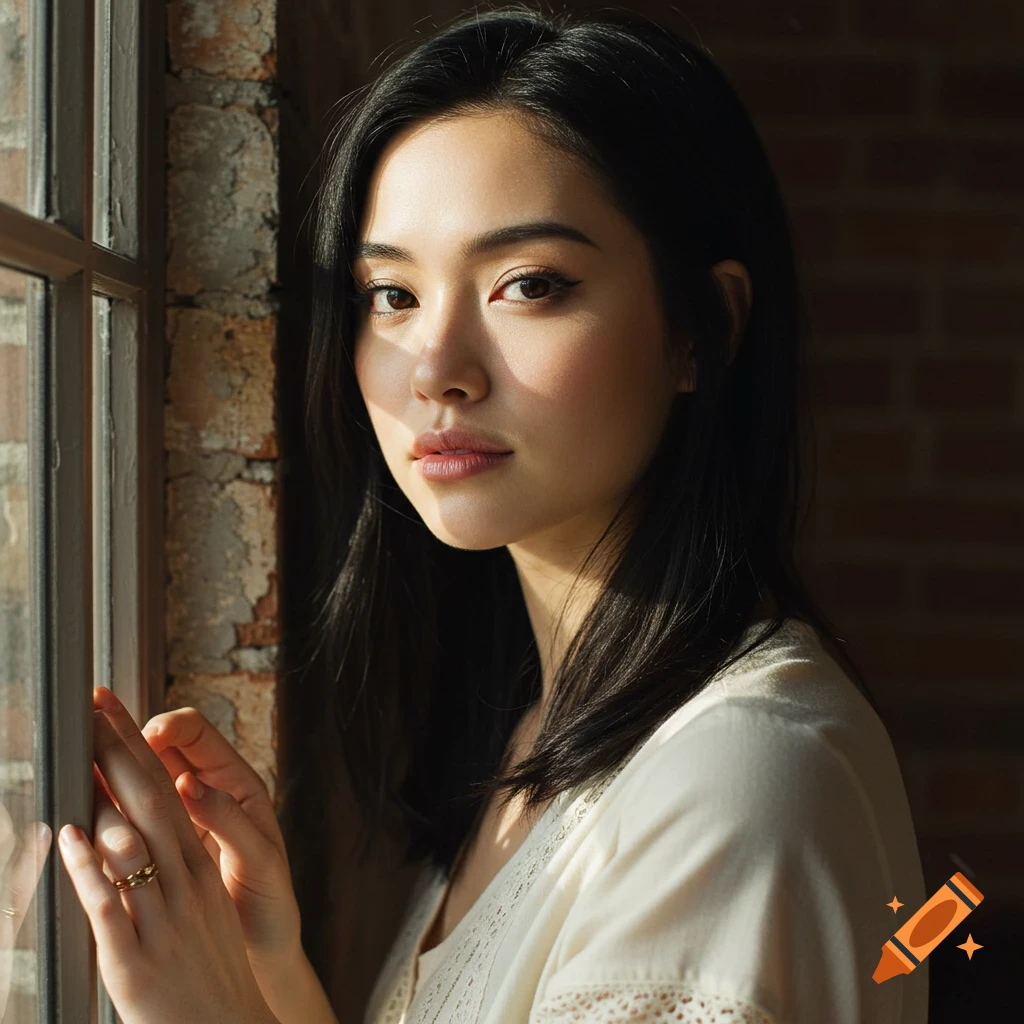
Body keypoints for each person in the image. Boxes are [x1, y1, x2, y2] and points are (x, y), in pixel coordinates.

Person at [55, 4, 927, 1023]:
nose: (437, 370)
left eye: (528, 284)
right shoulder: (542, 725)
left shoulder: (736, 779)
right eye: (391, 295)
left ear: (705, 328)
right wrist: (268, 971)